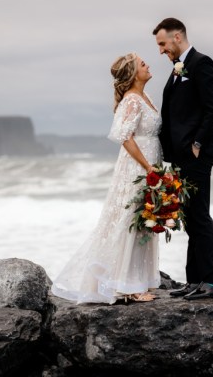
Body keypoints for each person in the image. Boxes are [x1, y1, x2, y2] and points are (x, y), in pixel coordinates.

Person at [51, 52, 162, 304]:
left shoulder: (146, 97)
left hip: (151, 164)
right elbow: (125, 137)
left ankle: (135, 280)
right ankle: (125, 286)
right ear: (134, 74)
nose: (148, 65)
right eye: (143, 64)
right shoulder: (132, 100)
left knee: (144, 221)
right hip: (137, 168)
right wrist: (148, 167)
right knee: (130, 220)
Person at [153, 17, 213, 300]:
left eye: (162, 43)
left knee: (200, 217)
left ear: (177, 37)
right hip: (181, 157)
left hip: (197, 155)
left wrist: (196, 143)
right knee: (191, 219)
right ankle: (195, 280)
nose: (160, 50)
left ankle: (212, 283)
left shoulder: (201, 64)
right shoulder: (178, 68)